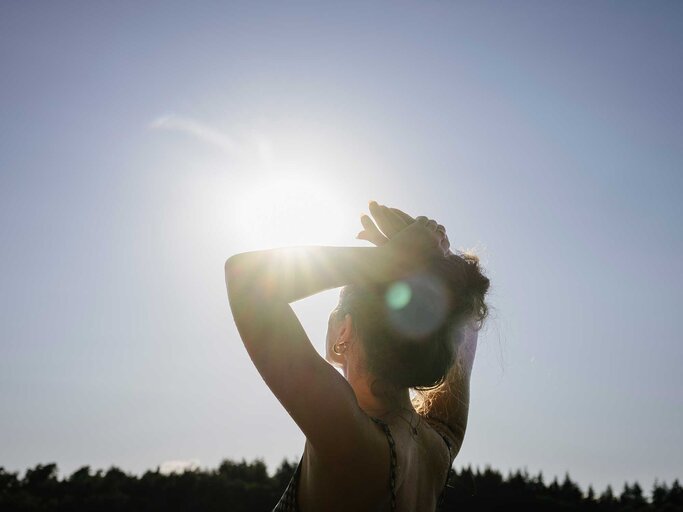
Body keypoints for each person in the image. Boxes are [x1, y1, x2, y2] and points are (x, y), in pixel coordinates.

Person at [224, 202, 490, 512]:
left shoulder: (348, 438)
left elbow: (246, 280)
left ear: (344, 330)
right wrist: (433, 266)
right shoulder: (437, 450)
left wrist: (388, 261)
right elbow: (464, 325)